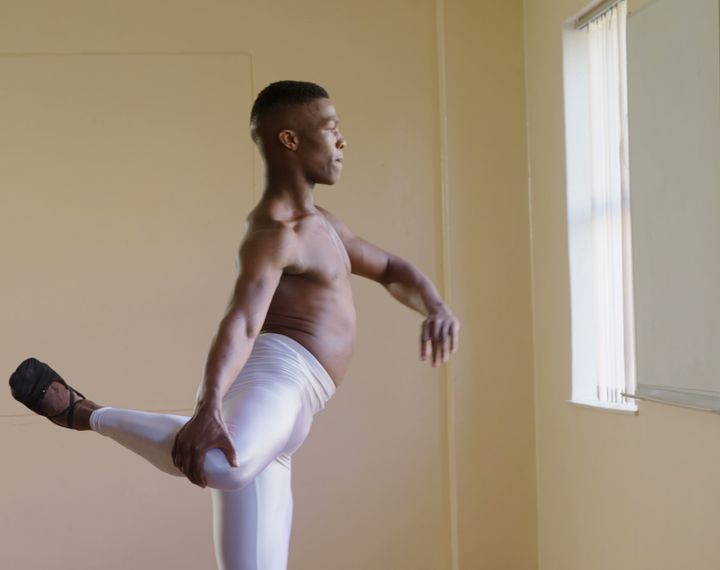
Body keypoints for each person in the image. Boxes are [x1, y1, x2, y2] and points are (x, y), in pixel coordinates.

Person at [8, 80, 460, 570]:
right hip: (276, 383)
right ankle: (85, 412)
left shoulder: (324, 224)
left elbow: (392, 268)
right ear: (290, 139)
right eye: (331, 129)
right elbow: (243, 321)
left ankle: (115, 417)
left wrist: (435, 306)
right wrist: (209, 408)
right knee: (220, 463)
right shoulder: (273, 232)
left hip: (299, 408)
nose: (342, 142)